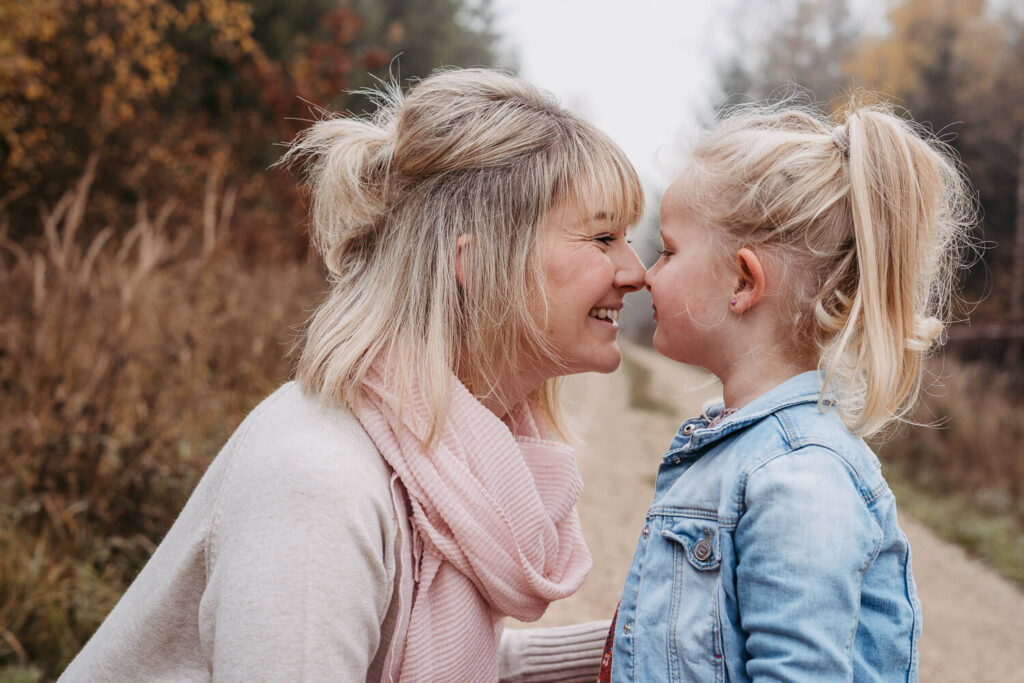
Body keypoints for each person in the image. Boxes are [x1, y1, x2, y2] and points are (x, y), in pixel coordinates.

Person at [61, 68, 646, 682]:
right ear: (475, 263)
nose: (636, 272)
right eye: (603, 237)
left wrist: (631, 646)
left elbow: (388, 654)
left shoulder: (442, 453)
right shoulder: (317, 479)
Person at [602, 102, 973, 681]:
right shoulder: (745, 452)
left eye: (669, 250)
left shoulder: (800, 479)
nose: (648, 272)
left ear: (743, 282)